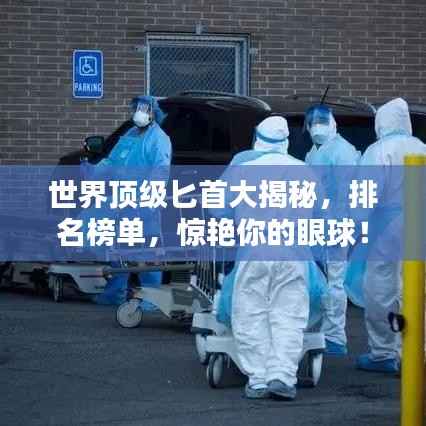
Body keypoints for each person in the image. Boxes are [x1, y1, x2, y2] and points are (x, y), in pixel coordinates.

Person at [213, 116, 310, 400]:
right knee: (288, 314)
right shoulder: (304, 170)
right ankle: (283, 376)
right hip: (293, 254)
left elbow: (219, 210)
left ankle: (257, 379)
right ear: (286, 142)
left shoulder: (243, 170)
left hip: (254, 252)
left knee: (250, 311)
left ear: (257, 140)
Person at [356, 98, 426, 373]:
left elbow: (364, 196)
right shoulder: (421, 147)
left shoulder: (378, 151)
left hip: (386, 227)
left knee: (381, 288)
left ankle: (384, 353)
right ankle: (416, 352)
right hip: (419, 224)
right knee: (417, 288)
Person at [93, 96, 172, 306]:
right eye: (137, 109)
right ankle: (114, 294)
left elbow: (160, 172)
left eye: (144, 109)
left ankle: (152, 299)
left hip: (144, 204)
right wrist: (93, 171)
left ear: (153, 113)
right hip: (123, 202)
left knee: (147, 252)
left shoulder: (159, 139)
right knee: (120, 251)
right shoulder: (131, 134)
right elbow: (112, 160)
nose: (139, 113)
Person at [304, 104, 360, 356]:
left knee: (335, 282)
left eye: (322, 122)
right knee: (318, 280)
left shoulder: (343, 151)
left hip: (337, 225)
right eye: (313, 122)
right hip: (318, 227)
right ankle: (320, 332)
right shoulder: (314, 151)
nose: (317, 127)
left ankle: (335, 337)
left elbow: (346, 194)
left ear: (333, 124)